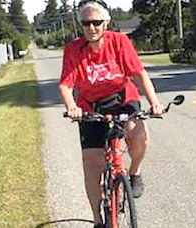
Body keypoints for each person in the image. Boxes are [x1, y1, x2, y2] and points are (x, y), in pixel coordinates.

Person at [58, 0, 164, 227]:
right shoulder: (74, 50)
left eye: (97, 22)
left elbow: (139, 74)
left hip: (122, 99)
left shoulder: (119, 42)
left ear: (105, 23)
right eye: (87, 23)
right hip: (89, 106)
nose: (92, 27)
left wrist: (154, 103)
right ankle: (97, 219)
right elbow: (66, 85)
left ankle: (134, 173)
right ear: (82, 25)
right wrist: (72, 107)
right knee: (92, 164)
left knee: (139, 135)